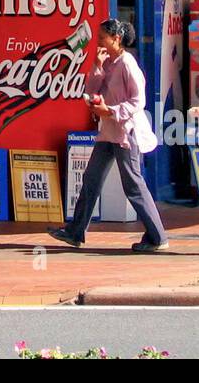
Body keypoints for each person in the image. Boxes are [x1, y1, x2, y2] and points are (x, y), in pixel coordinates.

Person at [48, 18, 170, 253]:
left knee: (133, 185)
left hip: (126, 133)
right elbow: (92, 91)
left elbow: (138, 101)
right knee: (91, 179)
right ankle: (76, 231)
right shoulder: (110, 63)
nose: (99, 42)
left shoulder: (127, 64)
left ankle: (158, 237)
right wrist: (96, 66)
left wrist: (112, 111)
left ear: (117, 39)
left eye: (103, 37)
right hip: (108, 132)